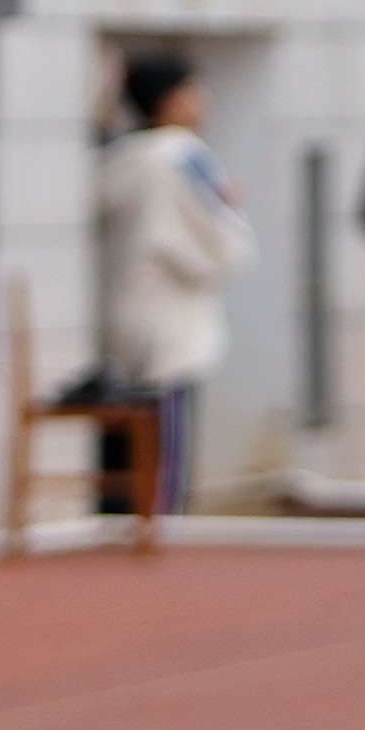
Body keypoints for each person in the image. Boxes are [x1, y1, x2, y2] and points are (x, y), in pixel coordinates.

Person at [98, 55, 256, 516]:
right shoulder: (184, 156)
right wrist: (229, 211)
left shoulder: (121, 156)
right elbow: (225, 239)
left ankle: (126, 524)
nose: (202, 102)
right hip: (173, 312)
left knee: (129, 434)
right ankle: (162, 527)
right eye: (193, 90)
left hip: (126, 305)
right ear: (171, 100)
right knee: (166, 441)